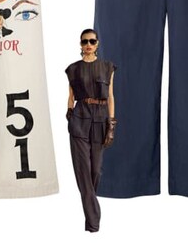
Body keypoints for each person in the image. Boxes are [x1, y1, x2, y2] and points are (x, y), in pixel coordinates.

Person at [65, 29, 116, 233]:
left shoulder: (107, 67)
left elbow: (111, 97)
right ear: (80, 44)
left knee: (96, 170)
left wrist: (111, 125)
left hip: (101, 120)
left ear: (97, 44)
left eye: (92, 41)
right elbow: (70, 96)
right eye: (85, 41)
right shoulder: (73, 69)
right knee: (83, 171)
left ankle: (90, 216)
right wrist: (69, 114)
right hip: (79, 119)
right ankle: (94, 223)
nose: (88, 44)